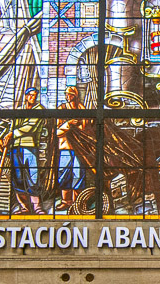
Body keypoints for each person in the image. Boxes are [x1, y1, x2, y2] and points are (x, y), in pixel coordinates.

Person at [55, 85, 95, 211]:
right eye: (66, 94)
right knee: (64, 174)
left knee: (78, 174)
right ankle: (66, 201)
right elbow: (57, 131)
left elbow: (87, 128)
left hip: (79, 148)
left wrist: (80, 125)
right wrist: (68, 124)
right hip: (65, 147)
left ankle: (78, 202)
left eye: (70, 94)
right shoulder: (61, 109)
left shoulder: (81, 108)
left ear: (75, 95)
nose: (67, 96)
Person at [9, 86, 48, 214]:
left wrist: (11, 135)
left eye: (35, 95)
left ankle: (37, 207)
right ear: (26, 96)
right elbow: (11, 127)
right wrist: (1, 138)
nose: (33, 97)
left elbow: (29, 128)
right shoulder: (19, 110)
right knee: (18, 178)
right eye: (30, 95)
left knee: (33, 176)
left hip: (29, 146)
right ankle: (24, 207)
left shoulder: (39, 109)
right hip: (15, 147)